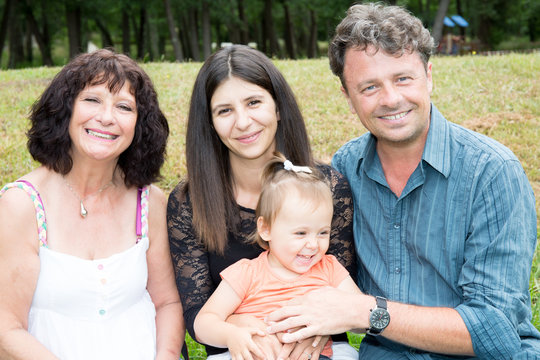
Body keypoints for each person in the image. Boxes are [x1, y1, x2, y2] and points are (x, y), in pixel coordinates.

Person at [266, 3, 540, 359]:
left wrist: (364, 312)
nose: (391, 99)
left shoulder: (491, 171)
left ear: (429, 76)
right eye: (369, 87)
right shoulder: (345, 168)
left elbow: (495, 331)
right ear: (348, 99)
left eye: (403, 78)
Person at [167, 44, 356, 360]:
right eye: (225, 110)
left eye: (254, 102)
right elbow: (196, 313)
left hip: (317, 348)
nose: (243, 122)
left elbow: (342, 288)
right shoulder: (190, 203)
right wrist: (259, 329)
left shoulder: (325, 186)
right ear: (210, 123)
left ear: (278, 107)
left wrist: (308, 328)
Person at [0, 49, 184, 359]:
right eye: (92, 100)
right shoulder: (23, 205)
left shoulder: (149, 202)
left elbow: (167, 303)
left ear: (139, 124)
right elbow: (7, 327)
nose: (107, 117)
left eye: (124, 106)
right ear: (65, 109)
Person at [194, 153, 361, 360]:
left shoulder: (329, 268)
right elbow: (204, 323)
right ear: (266, 229)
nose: (313, 244)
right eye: (300, 233)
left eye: (322, 232)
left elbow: (361, 317)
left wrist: (329, 321)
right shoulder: (246, 273)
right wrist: (231, 335)